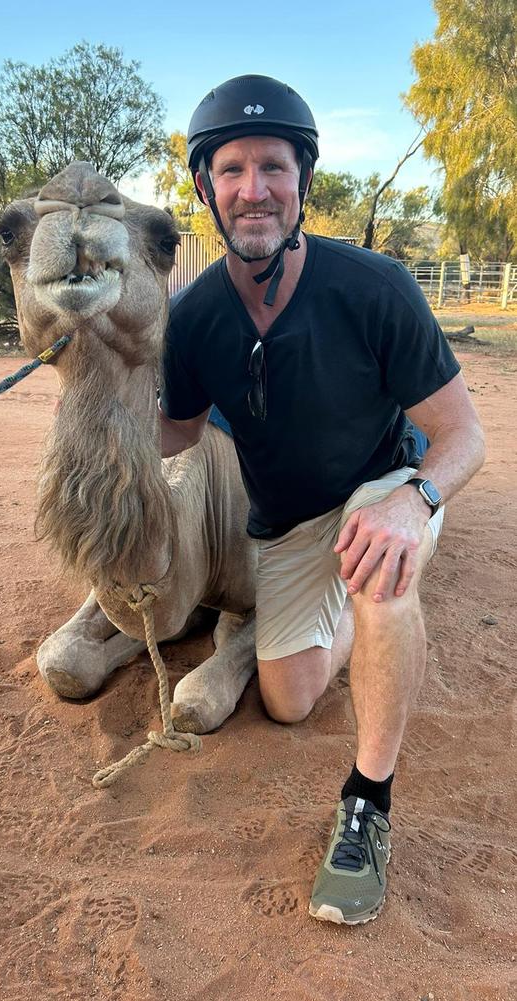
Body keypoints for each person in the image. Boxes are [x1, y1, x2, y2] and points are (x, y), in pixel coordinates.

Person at [158, 74, 485, 925]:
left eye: (274, 166)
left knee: (381, 565)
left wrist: (416, 500)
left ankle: (367, 804)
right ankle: (364, 613)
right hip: (290, 525)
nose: (253, 189)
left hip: (383, 488)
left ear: (304, 181)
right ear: (206, 188)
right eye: (231, 170)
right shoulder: (193, 319)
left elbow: (464, 436)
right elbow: (174, 437)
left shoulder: (373, 288)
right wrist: (91, 381)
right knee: (287, 699)